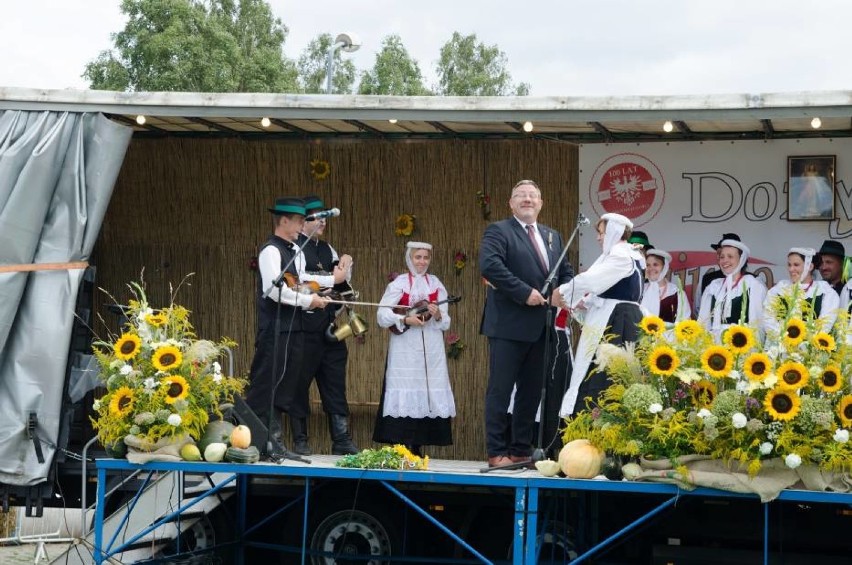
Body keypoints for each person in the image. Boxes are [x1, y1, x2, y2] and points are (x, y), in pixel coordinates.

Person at [479, 180, 574, 468]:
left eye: (533, 195)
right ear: (511, 203)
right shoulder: (499, 231)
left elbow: (566, 272)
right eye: (521, 195)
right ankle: (497, 451)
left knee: (532, 391)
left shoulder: (553, 236)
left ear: (541, 203)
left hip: (542, 327)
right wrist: (524, 293)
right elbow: (491, 266)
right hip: (508, 325)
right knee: (501, 389)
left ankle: (521, 449)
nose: (527, 200)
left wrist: (571, 293)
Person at [245, 197, 329, 452]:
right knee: (267, 382)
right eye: (299, 221)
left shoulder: (294, 252)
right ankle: (263, 441)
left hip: (293, 327)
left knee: (287, 383)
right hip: (275, 328)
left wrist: (317, 293)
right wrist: (307, 301)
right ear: (283, 221)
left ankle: (276, 440)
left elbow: (298, 282)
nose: (302, 226)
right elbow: (273, 290)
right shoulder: (271, 250)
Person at [553, 213, 644, 417]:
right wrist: (582, 302)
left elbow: (591, 281)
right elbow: (600, 290)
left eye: (601, 233)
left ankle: (602, 429)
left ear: (614, 232)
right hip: (618, 317)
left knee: (606, 376)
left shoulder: (620, 256)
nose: (598, 238)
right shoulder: (628, 255)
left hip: (617, 323)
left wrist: (563, 292)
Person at [290, 195, 359, 456]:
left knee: (335, 383)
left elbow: (341, 284)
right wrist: (332, 278)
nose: (323, 222)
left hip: (329, 327)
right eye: (318, 217)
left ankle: (341, 439)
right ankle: (300, 440)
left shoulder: (327, 248)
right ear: (302, 220)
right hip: (302, 328)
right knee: (299, 384)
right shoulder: (293, 248)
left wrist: (346, 263)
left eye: (325, 218)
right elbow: (294, 282)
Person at [373, 242, 455, 456]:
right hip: (405, 347)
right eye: (418, 257)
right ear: (410, 258)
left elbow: (445, 320)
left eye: (425, 257)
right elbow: (382, 315)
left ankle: (418, 445)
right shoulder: (399, 284)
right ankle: (399, 444)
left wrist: (437, 314)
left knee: (426, 389)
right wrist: (406, 319)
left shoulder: (435, 283)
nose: (422, 262)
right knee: (405, 386)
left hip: (431, 346)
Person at [697, 237, 767, 341]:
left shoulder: (753, 285)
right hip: (716, 348)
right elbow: (703, 323)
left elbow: (758, 324)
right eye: (722, 257)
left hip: (742, 347)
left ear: (741, 259)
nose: (725, 260)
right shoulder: (714, 287)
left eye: (730, 256)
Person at [762, 247, 839, 339]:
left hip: (810, 349)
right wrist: (785, 339)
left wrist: (802, 342)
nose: (791, 269)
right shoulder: (779, 288)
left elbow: (825, 325)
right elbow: (768, 318)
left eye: (796, 265)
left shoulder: (825, 291)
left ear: (810, 266)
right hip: (780, 347)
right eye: (789, 265)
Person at [640, 248, 691, 324]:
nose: (651, 268)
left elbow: (684, 321)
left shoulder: (676, 293)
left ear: (664, 267)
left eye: (655, 264)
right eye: (648, 265)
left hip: (669, 335)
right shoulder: (640, 290)